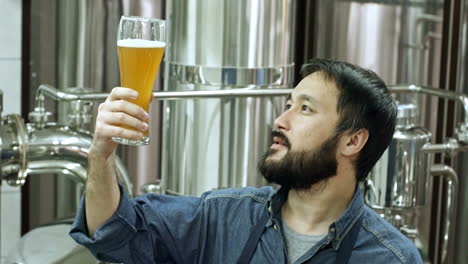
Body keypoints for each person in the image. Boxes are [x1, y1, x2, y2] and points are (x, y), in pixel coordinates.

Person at [70, 58, 423, 264]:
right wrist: (102, 156)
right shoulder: (222, 217)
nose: (281, 121)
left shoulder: (391, 257)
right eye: (287, 104)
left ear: (352, 140)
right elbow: (115, 233)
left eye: (305, 109)